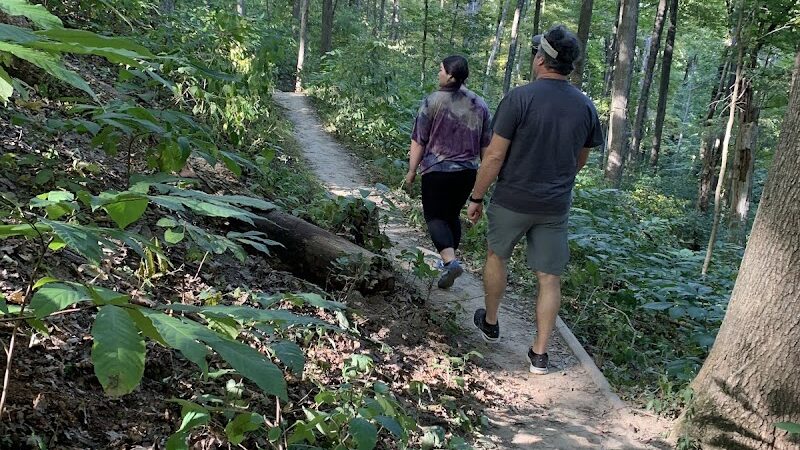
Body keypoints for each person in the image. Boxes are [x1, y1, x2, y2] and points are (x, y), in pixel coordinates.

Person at [466, 25, 603, 374]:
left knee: (497, 255)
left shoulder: (519, 98)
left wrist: (476, 196)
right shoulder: (586, 107)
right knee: (549, 278)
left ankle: (491, 322)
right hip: (554, 206)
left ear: (541, 59)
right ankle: (540, 354)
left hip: (512, 198)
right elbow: (580, 161)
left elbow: (494, 157)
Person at [405, 55, 492, 289]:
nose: (438, 73)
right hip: (467, 173)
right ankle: (449, 264)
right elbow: (487, 145)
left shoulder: (432, 101)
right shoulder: (479, 104)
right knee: (452, 215)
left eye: (441, 70)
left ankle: (450, 261)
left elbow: (419, 140)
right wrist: (485, 176)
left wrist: (412, 170)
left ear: (451, 75)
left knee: (434, 216)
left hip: (437, 171)